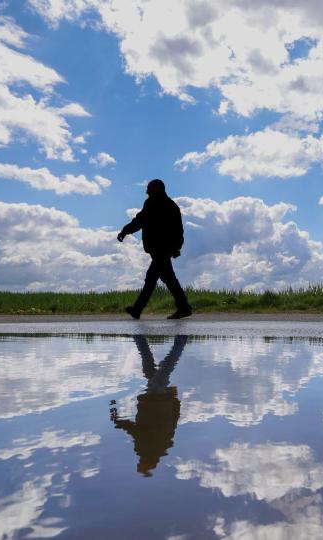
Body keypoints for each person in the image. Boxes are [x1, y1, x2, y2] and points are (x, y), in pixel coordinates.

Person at [110, 335, 186, 476]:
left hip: (159, 400)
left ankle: (139, 337)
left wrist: (174, 401)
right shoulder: (145, 448)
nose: (138, 464)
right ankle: (181, 339)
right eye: (142, 466)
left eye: (140, 466)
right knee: (168, 365)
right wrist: (118, 422)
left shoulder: (163, 446)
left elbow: (173, 422)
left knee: (149, 369)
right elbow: (135, 431)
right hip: (156, 399)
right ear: (149, 464)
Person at [118, 179, 192, 320]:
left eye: (149, 188)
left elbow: (141, 221)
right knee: (166, 278)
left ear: (157, 188)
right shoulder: (167, 204)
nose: (146, 191)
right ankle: (183, 308)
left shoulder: (157, 203)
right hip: (161, 249)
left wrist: (125, 231)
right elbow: (178, 230)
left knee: (153, 278)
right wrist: (176, 248)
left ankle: (138, 309)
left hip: (161, 249)